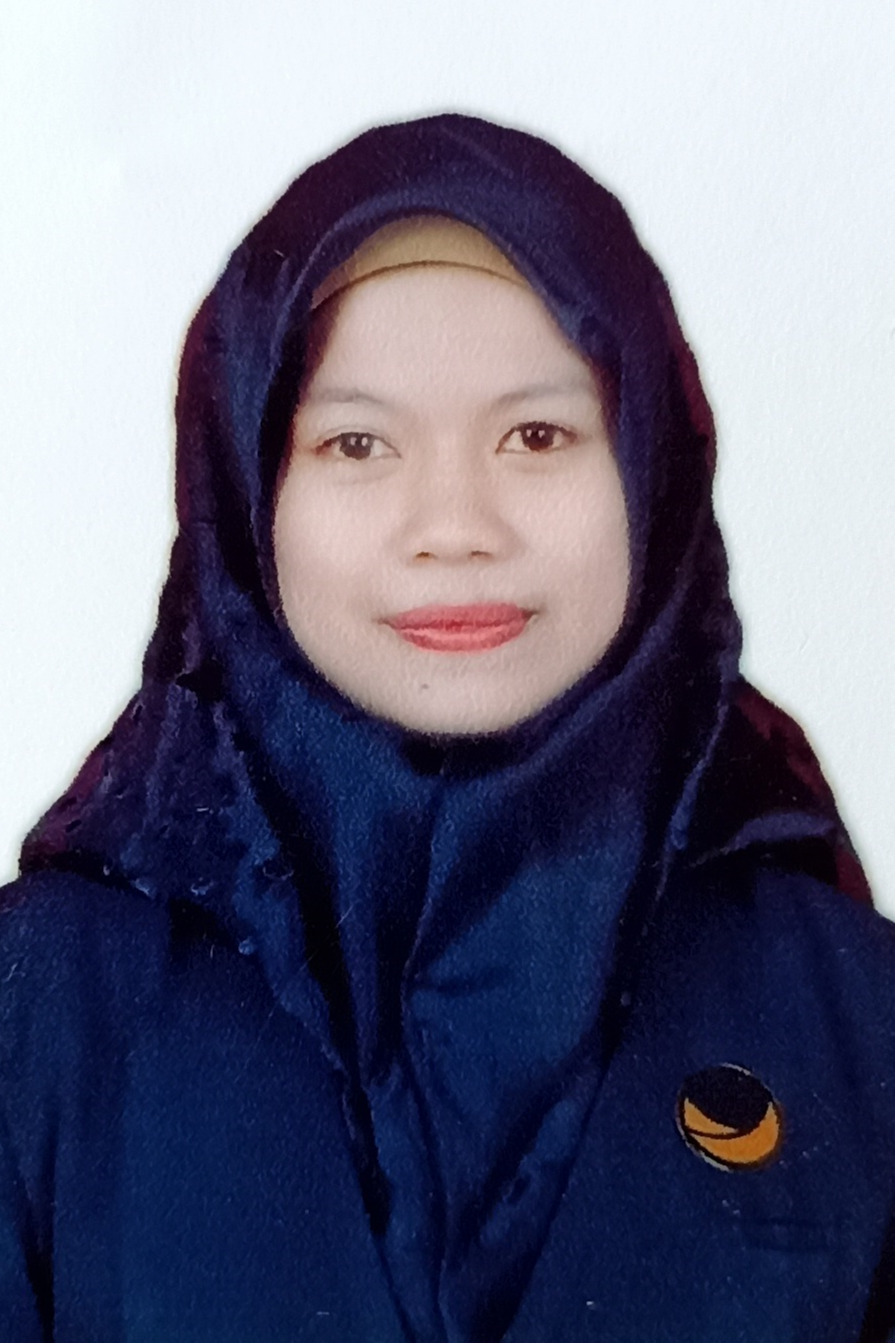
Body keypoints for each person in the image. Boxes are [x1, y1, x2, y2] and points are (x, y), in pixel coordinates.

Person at [1, 113, 893, 1342]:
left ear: (652, 471)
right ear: (246, 494)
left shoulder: (850, 1006)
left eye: (536, 435)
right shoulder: (42, 1004)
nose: (456, 523)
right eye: (357, 441)